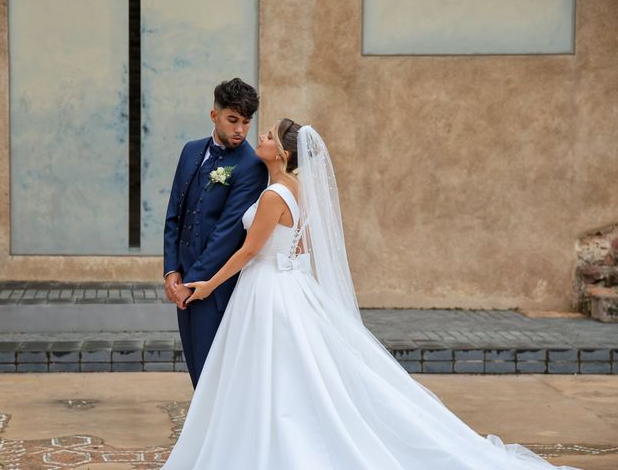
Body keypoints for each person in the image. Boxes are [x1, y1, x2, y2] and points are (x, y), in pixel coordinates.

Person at [160, 119, 581, 469]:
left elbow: (250, 250)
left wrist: (208, 285)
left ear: (283, 154)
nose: (261, 139)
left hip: (268, 289)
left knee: (275, 371)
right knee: (289, 372)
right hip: (285, 284)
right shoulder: (298, 191)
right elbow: (300, 247)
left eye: (268, 135)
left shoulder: (273, 195)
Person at [162, 78, 268, 387]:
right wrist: (171, 272)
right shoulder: (190, 151)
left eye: (246, 123)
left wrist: (192, 283)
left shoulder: (251, 165)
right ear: (214, 115)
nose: (240, 130)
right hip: (182, 280)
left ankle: (216, 436)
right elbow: (174, 216)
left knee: (212, 376)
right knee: (196, 371)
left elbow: (228, 233)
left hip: (216, 286)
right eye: (232, 120)